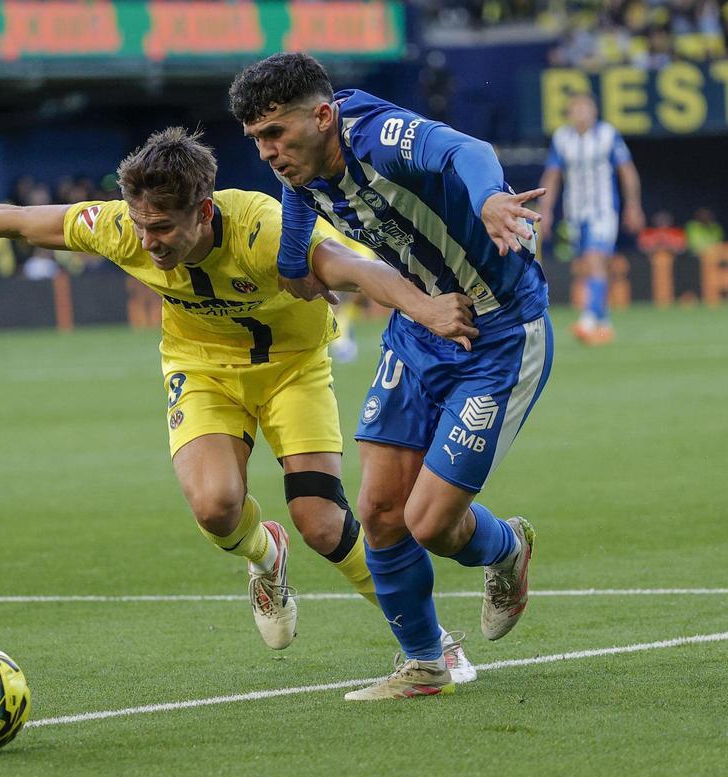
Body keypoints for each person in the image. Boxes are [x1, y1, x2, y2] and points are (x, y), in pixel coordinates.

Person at [0, 127, 477, 679]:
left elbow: (350, 266)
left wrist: (424, 307)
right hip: (201, 370)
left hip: (292, 371)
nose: (147, 241)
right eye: (140, 224)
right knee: (214, 508)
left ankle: (428, 642)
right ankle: (265, 555)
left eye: (162, 228)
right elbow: (17, 219)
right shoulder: (124, 228)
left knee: (321, 522)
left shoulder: (262, 227)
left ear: (203, 212)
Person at [230, 52, 552, 700]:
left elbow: (463, 148)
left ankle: (505, 549)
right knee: (379, 511)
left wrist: (489, 198)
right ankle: (423, 664)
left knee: (430, 523)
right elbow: (298, 197)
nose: (267, 153)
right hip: (419, 327)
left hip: (498, 332)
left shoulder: (378, 135)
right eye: (256, 140)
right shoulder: (306, 164)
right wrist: (295, 261)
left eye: (275, 134)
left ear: (323, 117)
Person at [538, 93, 644, 345]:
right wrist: (547, 210)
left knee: (596, 258)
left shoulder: (608, 135)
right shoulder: (562, 138)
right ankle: (604, 323)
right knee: (586, 264)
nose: (581, 114)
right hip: (575, 212)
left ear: (594, 111)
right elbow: (552, 176)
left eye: (586, 109)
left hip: (603, 210)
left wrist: (633, 205)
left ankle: (587, 319)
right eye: (576, 109)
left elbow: (627, 170)